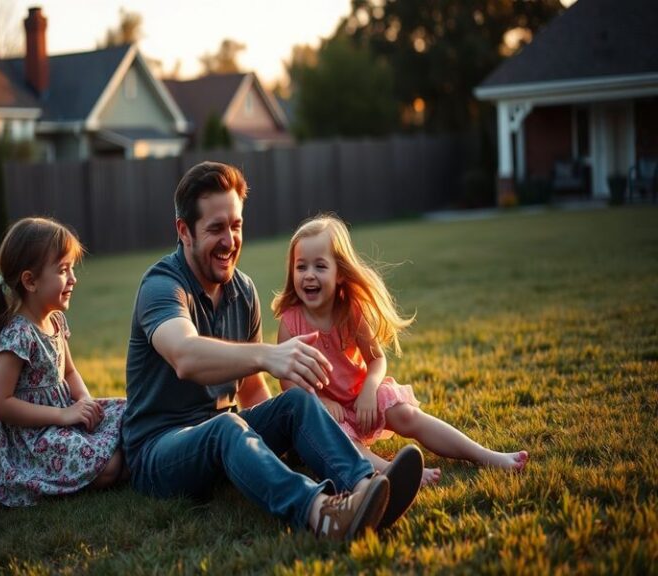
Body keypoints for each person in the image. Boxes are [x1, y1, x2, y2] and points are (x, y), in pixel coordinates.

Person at [122, 161, 424, 540]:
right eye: (216, 228)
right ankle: (324, 514)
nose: (230, 241)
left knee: (295, 403)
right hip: (159, 452)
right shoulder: (162, 287)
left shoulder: (242, 291)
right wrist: (267, 354)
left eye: (236, 225)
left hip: (223, 436)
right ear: (184, 231)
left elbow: (251, 392)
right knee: (226, 426)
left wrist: (279, 441)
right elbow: (185, 355)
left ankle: (365, 490)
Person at [272, 214, 528, 487]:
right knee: (346, 441)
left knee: (407, 415)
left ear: (341, 273)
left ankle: (485, 455)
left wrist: (370, 389)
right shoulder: (290, 323)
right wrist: (323, 403)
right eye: (301, 267)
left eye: (320, 266)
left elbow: (376, 359)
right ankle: (394, 471)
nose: (309, 275)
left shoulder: (351, 311)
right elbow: (289, 385)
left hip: (362, 402)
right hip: (323, 415)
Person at [0, 217, 127, 506]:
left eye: (72, 269)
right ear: (30, 281)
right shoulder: (18, 334)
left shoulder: (56, 321)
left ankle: (123, 456)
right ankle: (105, 468)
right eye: (64, 270)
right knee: (111, 466)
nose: (73, 279)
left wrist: (87, 405)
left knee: (130, 411)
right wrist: (63, 416)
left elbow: (70, 372)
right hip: (35, 439)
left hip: (67, 417)